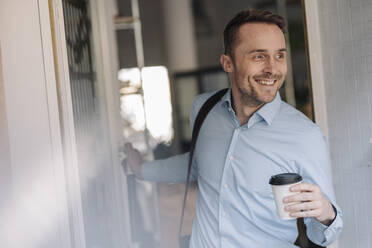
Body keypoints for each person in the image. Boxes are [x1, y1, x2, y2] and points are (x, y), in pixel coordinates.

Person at [125, 9, 343, 247]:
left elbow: (326, 234)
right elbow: (200, 163)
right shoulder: (203, 108)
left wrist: (325, 214)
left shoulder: (305, 135)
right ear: (228, 63)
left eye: (279, 56)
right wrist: (143, 171)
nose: (273, 68)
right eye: (259, 57)